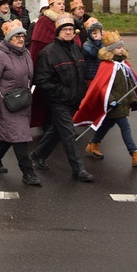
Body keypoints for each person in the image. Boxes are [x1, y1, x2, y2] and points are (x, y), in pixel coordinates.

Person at [30, 13, 93, 182]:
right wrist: (62, 94)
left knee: (57, 130)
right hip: (58, 101)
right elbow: (42, 80)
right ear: (57, 32)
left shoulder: (75, 48)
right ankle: (78, 170)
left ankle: (38, 155)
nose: (68, 32)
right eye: (64, 29)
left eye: (71, 29)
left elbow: (81, 72)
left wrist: (81, 92)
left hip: (74, 99)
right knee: (68, 133)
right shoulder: (48, 52)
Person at [75, 31, 137, 167]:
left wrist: (133, 99)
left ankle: (93, 144)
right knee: (125, 128)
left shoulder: (124, 65)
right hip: (113, 104)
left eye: (122, 47)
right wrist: (111, 100)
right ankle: (135, 154)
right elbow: (101, 87)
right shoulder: (107, 66)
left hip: (121, 103)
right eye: (118, 47)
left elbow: (128, 85)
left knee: (107, 124)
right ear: (111, 50)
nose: (122, 49)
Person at [0, 20, 41, 185]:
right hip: (6, 104)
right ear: (9, 38)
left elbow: (30, 76)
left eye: (22, 36)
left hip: (22, 102)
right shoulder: (0, 55)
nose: (21, 39)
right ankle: (28, 172)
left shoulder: (25, 53)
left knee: (12, 135)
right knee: (20, 136)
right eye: (17, 36)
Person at [81, 17, 104, 83]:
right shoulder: (86, 45)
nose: (97, 36)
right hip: (91, 74)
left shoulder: (102, 43)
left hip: (100, 72)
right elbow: (96, 54)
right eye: (94, 33)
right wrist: (97, 42)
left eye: (99, 33)